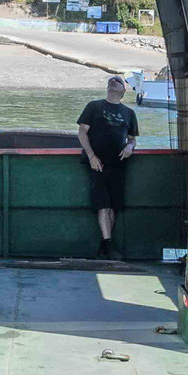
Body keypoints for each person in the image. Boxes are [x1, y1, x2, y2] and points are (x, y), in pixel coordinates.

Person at [76, 76, 140, 259]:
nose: (114, 81)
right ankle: (107, 245)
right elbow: (82, 133)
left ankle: (106, 246)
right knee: (103, 205)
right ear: (107, 88)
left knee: (113, 206)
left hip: (118, 165)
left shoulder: (129, 113)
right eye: (111, 80)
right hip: (97, 164)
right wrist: (91, 156)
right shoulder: (94, 106)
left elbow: (133, 139)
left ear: (123, 91)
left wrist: (130, 147)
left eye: (118, 81)